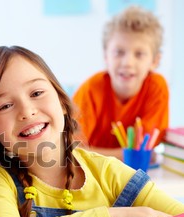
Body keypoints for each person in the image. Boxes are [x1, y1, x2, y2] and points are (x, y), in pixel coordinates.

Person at [0, 45, 184, 217]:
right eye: (5, 105)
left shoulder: (107, 172)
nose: (26, 111)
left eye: (36, 93)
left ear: (63, 103)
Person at [72, 5, 168, 160]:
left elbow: (146, 151)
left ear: (155, 61)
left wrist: (95, 153)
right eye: (119, 52)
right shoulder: (90, 89)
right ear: (106, 56)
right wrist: (128, 155)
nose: (127, 62)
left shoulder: (157, 87)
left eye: (139, 54)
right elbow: (72, 150)